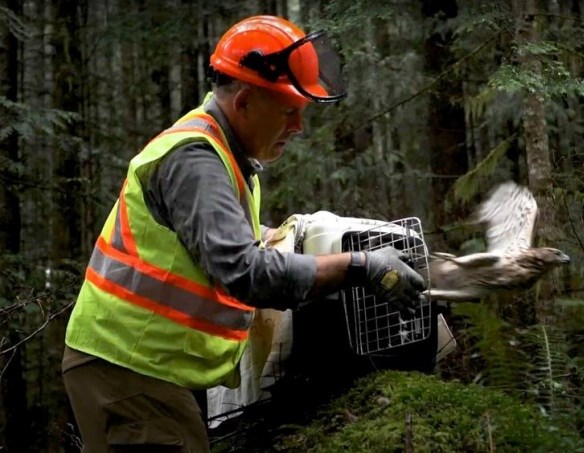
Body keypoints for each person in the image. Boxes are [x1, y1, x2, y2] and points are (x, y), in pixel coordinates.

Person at [62, 15, 425, 452]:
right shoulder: (197, 162)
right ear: (245, 101)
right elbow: (244, 272)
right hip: (130, 370)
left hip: (145, 369)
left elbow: (211, 246)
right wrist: (359, 265)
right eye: (289, 111)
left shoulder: (223, 156)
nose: (298, 128)